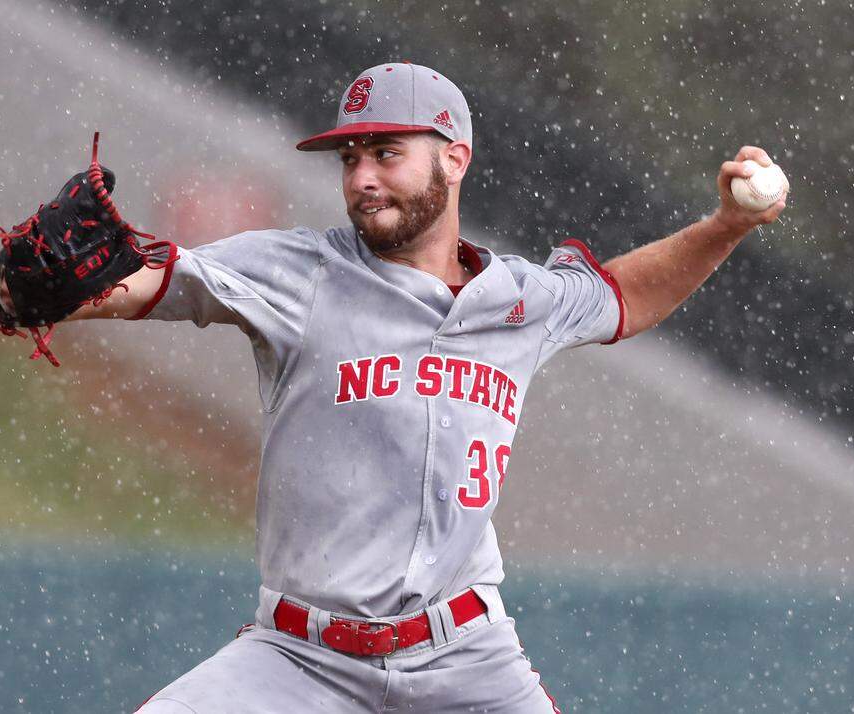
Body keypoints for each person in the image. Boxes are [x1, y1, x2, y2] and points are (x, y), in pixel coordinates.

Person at [49, 62, 785, 712]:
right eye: (352, 157)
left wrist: (724, 226)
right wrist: (55, 293)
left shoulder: (521, 303)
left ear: (454, 159)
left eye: (387, 153)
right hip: (301, 662)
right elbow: (151, 280)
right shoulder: (301, 275)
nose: (362, 176)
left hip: (467, 663)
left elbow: (624, 295)